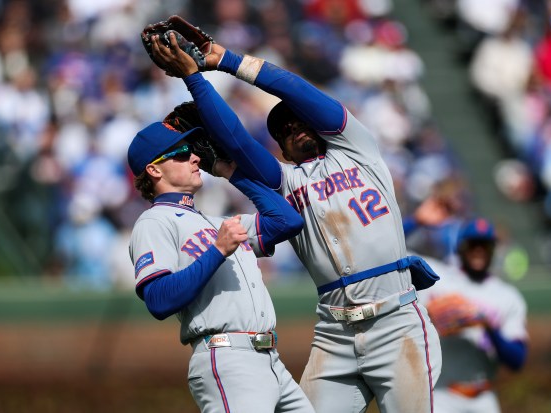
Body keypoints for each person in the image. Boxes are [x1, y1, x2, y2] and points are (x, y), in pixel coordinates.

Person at [152, 30, 441, 413]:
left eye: (298, 121)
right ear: (281, 148)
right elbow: (238, 143)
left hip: (396, 319)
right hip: (334, 333)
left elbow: (299, 91)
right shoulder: (284, 183)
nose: (294, 127)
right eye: (283, 131)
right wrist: (195, 80)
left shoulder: (358, 149)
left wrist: (224, 60)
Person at [126, 101, 315, 411]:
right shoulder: (153, 222)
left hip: (270, 361)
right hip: (227, 359)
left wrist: (228, 171)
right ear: (154, 169)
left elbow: (287, 221)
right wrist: (216, 251)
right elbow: (158, 300)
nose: (195, 157)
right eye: (182, 153)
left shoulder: (215, 223)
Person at [416, 218, 528, 413]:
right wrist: (416, 221)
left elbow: (517, 360)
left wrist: (488, 326)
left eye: (485, 245)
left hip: (483, 398)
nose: (478, 250)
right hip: (441, 394)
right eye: (473, 244)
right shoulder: (438, 278)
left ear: (493, 249)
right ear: (460, 247)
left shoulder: (508, 296)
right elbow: (392, 253)